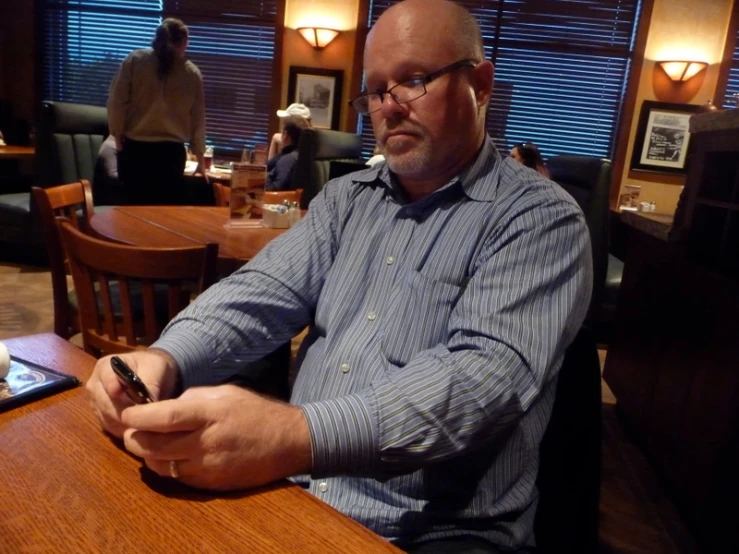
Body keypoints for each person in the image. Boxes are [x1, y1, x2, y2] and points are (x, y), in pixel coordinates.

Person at [86, 1, 592, 552]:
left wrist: (290, 436)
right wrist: (165, 356)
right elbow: (262, 291)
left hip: (440, 529)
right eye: (376, 91)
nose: (389, 107)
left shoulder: (540, 219)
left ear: (482, 84)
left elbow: (480, 382)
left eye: (414, 81)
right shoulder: (346, 200)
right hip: (299, 494)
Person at [107, 18, 206, 205]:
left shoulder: (135, 60)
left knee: (132, 214)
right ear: (184, 42)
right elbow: (197, 118)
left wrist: (118, 135)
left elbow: (117, 102)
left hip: (136, 152)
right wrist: (200, 157)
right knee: (163, 216)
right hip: (170, 156)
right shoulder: (191, 73)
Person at [265, 116, 310, 191]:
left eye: (281, 132)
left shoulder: (288, 159)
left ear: (285, 135)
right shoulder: (304, 155)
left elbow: (277, 189)